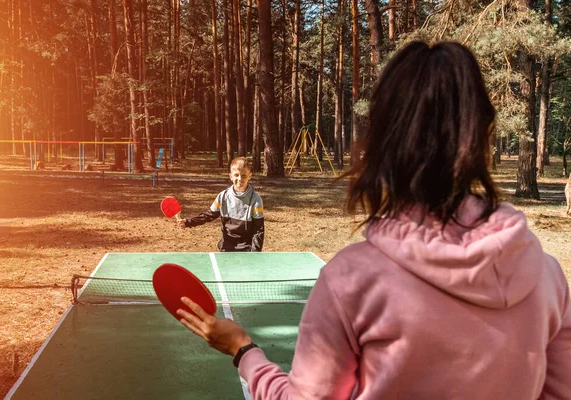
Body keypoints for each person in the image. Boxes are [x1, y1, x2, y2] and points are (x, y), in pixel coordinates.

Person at [176, 41, 571, 399]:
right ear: (484, 135)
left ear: (383, 139)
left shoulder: (351, 281)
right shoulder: (548, 276)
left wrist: (244, 352)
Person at [178, 157, 264, 252]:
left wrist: (255, 254)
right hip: (226, 248)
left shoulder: (256, 200)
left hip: (246, 250)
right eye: (236, 175)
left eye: (244, 176)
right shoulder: (222, 197)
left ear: (250, 176)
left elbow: (258, 230)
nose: (240, 178)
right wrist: (188, 222)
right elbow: (208, 216)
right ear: (230, 176)